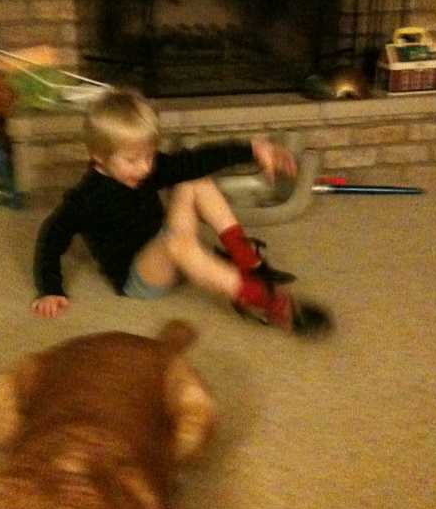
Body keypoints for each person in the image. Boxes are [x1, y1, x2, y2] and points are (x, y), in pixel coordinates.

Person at [32, 89, 330, 335]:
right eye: (133, 160)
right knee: (175, 243)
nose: (145, 167)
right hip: (139, 278)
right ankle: (265, 300)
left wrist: (252, 149)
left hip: (170, 245)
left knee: (194, 179)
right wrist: (50, 288)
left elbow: (195, 161)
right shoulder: (86, 198)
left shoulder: (146, 167)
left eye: (149, 156)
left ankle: (247, 262)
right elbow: (51, 236)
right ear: (98, 156)